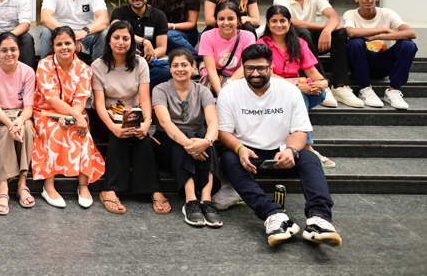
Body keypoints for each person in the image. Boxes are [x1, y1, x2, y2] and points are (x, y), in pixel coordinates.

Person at [218, 44, 343, 248]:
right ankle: (273, 215)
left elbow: (300, 131)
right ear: (243, 67)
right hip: (247, 153)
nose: (255, 73)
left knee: (309, 157)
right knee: (228, 158)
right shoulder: (229, 92)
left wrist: (291, 150)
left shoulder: (289, 91)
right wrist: (239, 149)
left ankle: (319, 219)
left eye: (261, 68)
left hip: (282, 151)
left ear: (271, 67)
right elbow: (224, 133)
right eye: (249, 68)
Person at [228, 5, 334, 168]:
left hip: (297, 87)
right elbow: (265, 72)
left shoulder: (299, 43)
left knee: (318, 93)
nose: (279, 24)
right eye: (274, 21)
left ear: (289, 23)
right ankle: (307, 146)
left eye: (283, 21)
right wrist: (297, 86)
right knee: (299, 96)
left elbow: (312, 71)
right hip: (271, 88)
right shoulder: (262, 44)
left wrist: (323, 82)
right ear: (268, 23)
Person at [91, 21, 169, 215]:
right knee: (120, 130)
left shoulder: (140, 63)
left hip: (132, 113)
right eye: (116, 37)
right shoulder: (98, 66)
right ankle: (110, 188)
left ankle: (153, 188)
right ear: (109, 41)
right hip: (104, 117)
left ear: (132, 42)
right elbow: (99, 104)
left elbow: (145, 98)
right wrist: (113, 126)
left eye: (126, 38)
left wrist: (147, 122)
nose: (121, 42)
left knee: (141, 133)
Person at [32, 26, 105, 208]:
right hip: (45, 112)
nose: (64, 47)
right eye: (59, 44)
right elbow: (52, 99)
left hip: (74, 112)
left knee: (82, 133)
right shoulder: (44, 65)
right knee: (54, 131)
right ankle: (48, 186)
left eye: (68, 43)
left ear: (76, 45)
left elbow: (81, 99)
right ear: (53, 46)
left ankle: (83, 185)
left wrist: (74, 117)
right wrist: (74, 116)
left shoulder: (84, 69)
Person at [152, 48, 222, 228]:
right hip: (166, 142)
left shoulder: (203, 91)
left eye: (184, 65)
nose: (180, 69)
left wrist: (206, 142)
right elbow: (165, 122)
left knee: (205, 136)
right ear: (170, 69)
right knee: (188, 134)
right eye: (175, 65)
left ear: (193, 67)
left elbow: (213, 121)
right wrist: (191, 146)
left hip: (197, 141)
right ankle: (190, 200)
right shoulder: (160, 90)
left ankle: (206, 200)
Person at [273, 0, 352, 108]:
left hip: (311, 39)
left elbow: (334, 16)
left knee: (340, 33)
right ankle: (321, 83)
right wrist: (325, 28)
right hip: (292, 42)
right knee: (303, 32)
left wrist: (328, 31)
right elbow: (293, 22)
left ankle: (340, 86)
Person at [343, 0, 418, 110]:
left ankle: (393, 91)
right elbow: (351, 32)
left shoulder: (387, 13)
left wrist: (375, 37)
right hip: (362, 62)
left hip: (384, 63)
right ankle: (364, 89)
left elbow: (411, 33)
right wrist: (384, 29)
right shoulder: (351, 14)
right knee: (355, 43)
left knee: (408, 45)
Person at [0, 32, 36, 215]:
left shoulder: (28, 72)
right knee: (7, 132)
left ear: (19, 50)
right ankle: (3, 186)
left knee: (28, 128)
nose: (9, 54)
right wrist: (10, 124)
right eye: (4, 50)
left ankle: (22, 183)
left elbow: (28, 108)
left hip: (20, 116)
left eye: (13, 49)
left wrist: (20, 121)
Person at [111, 0, 171, 87]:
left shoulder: (159, 15)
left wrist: (148, 56)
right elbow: (116, 29)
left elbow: (162, 48)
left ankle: (134, 85)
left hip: (148, 62)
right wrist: (145, 42)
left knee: (169, 68)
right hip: (124, 59)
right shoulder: (119, 13)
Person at [198, 2, 257, 96]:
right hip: (216, 75)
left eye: (231, 18)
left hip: (239, 75)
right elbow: (211, 69)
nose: (226, 23)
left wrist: (229, 83)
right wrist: (219, 91)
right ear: (216, 20)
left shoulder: (248, 36)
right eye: (221, 19)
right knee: (204, 94)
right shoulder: (207, 36)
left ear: (238, 20)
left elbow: (246, 66)